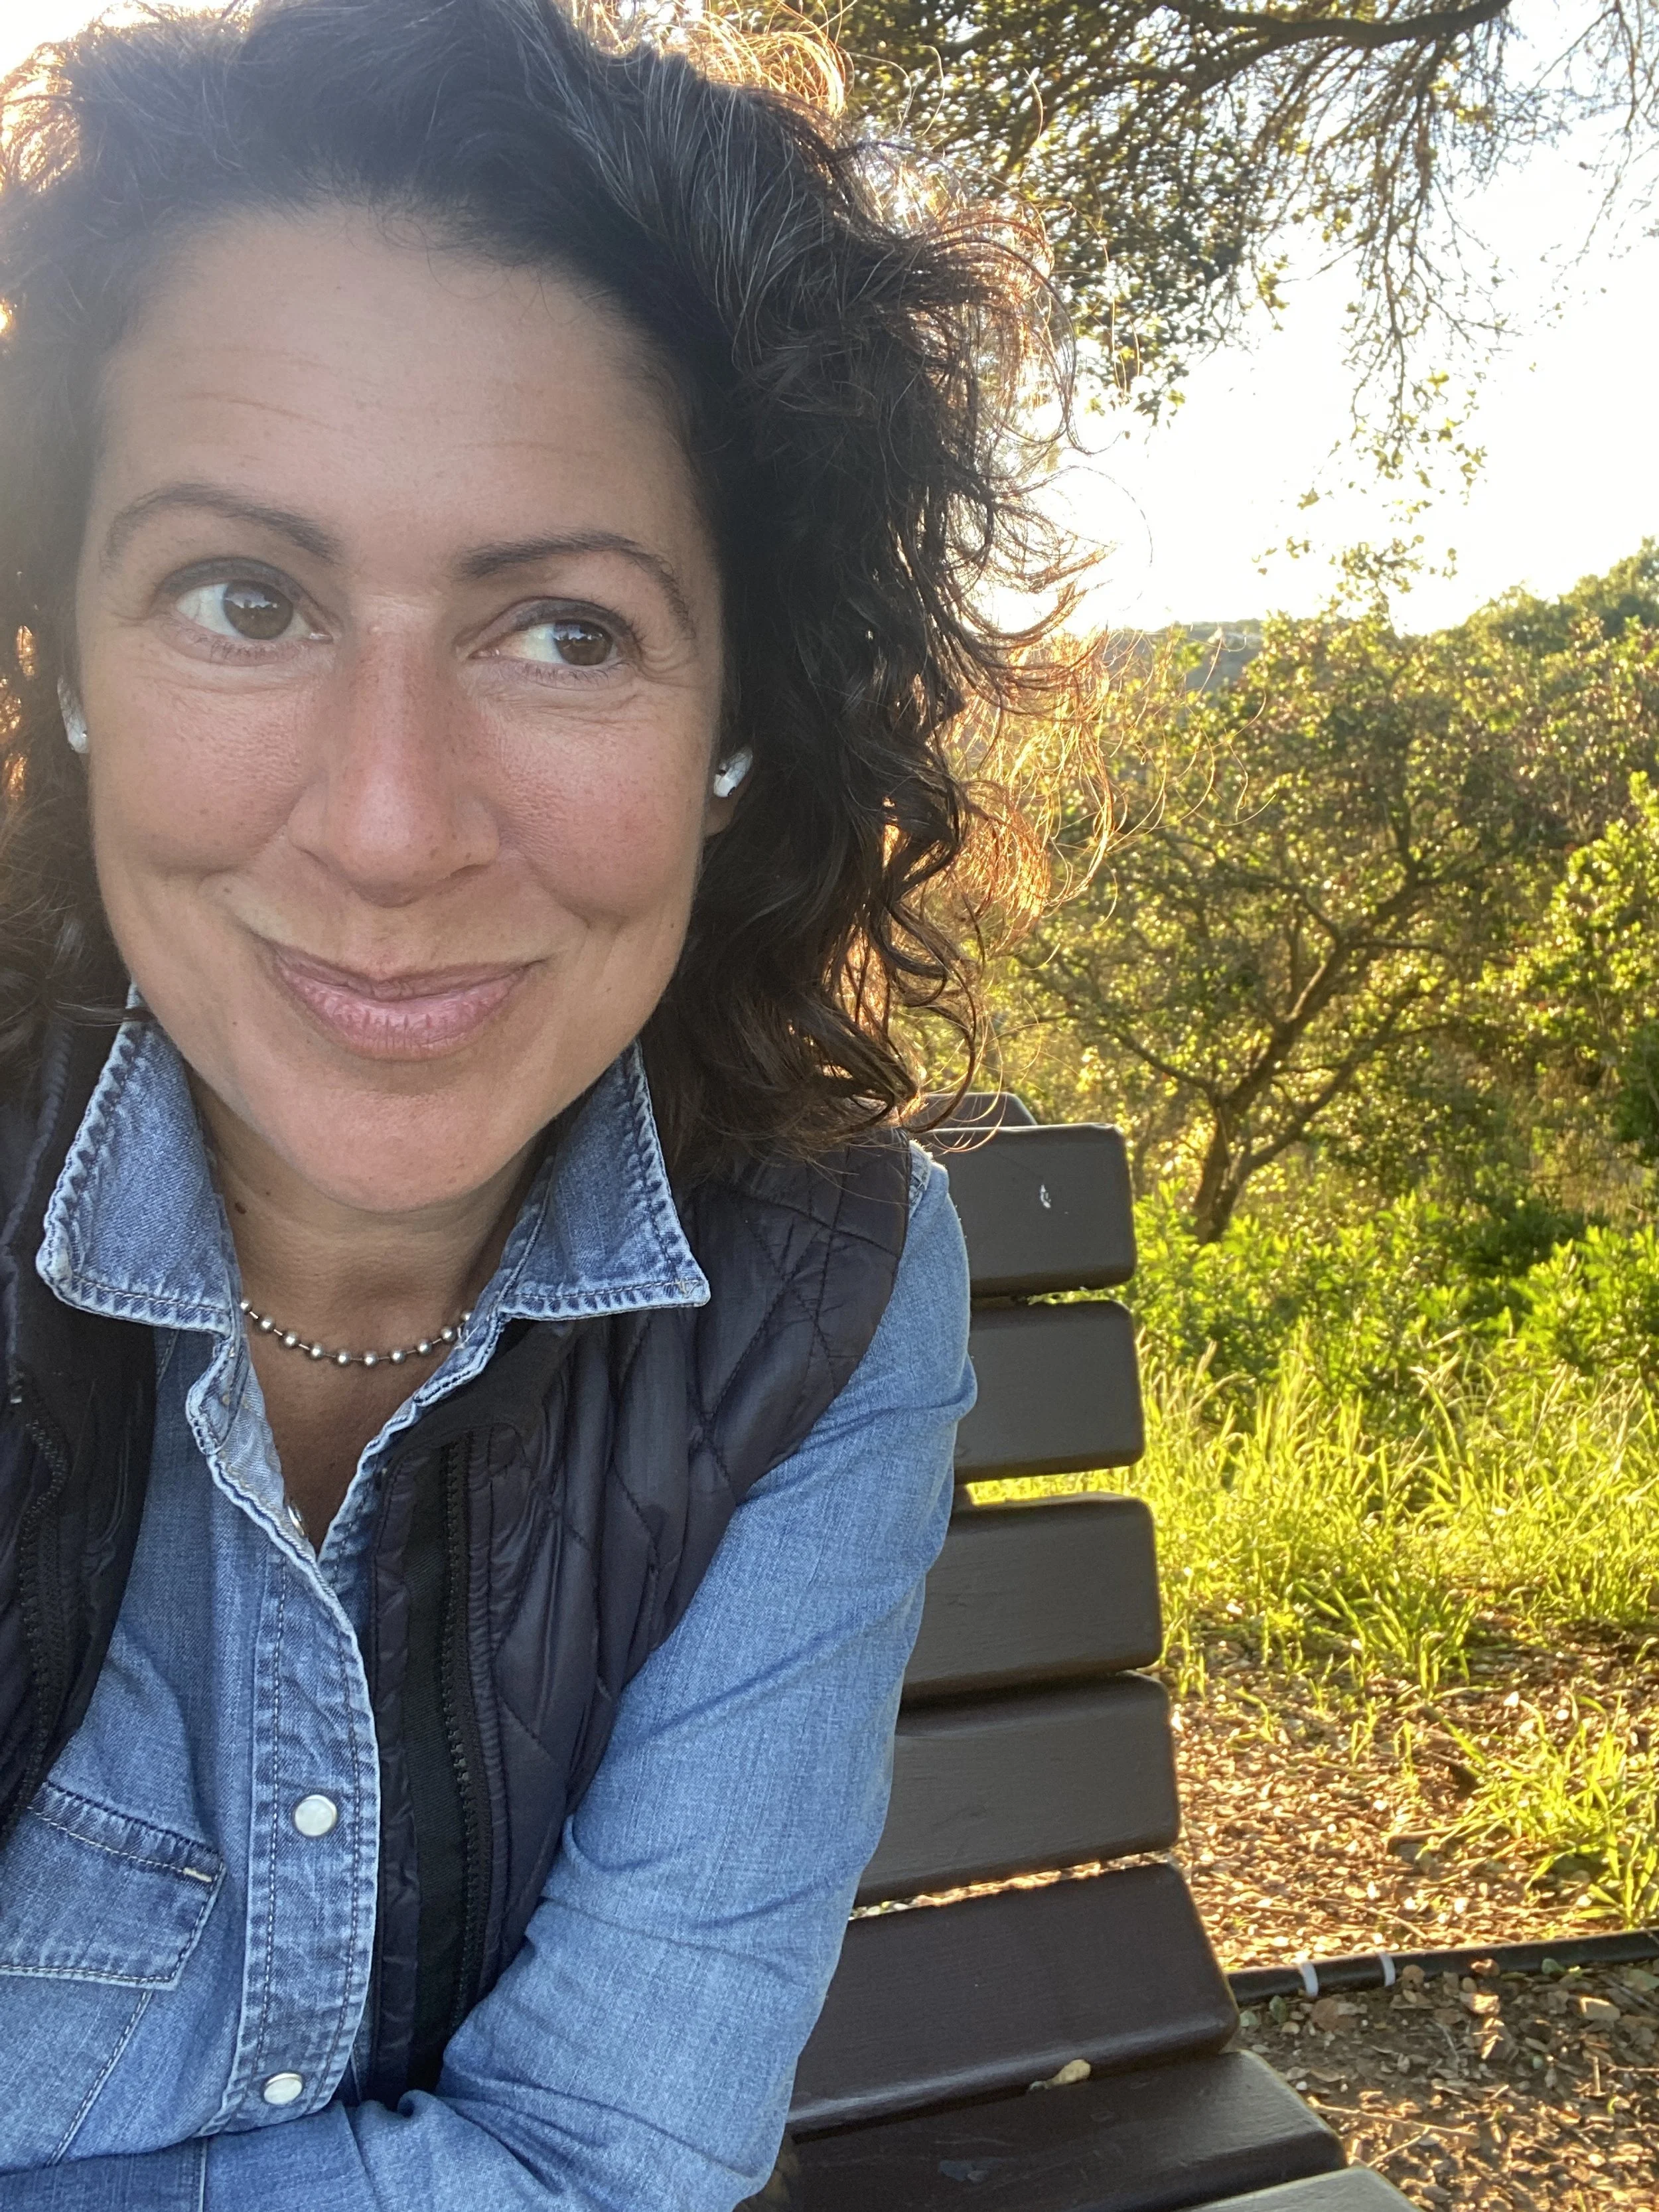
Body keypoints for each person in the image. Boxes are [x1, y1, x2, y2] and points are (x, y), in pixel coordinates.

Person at [0, 1, 1076, 2204]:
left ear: (737, 724)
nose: (392, 827)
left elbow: (605, 2157)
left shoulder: (815, 1291)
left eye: (565, 631)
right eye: (243, 597)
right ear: (71, 664)